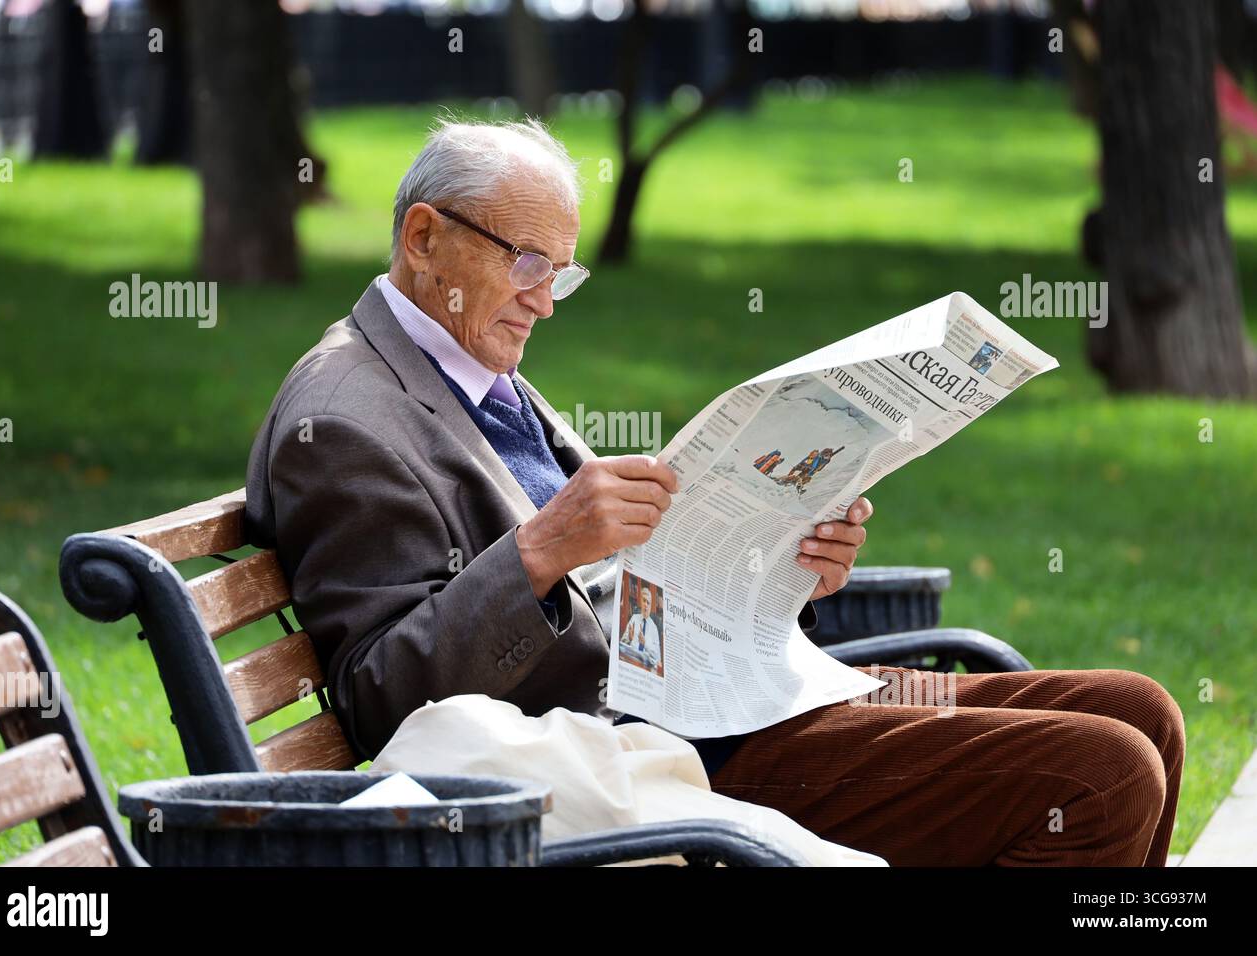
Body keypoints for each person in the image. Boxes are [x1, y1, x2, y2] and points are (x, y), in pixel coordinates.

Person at [244, 117, 1184, 866]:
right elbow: (379, 705)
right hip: (656, 766)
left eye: (559, 274)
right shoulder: (347, 420)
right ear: (423, 239)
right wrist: (537, 553)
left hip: (730, 695)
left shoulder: (464, 364)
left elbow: (637, 567)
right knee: (1102, 775)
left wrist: (782, 561)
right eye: (526, 264)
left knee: (1143, 710)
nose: (543, 299)